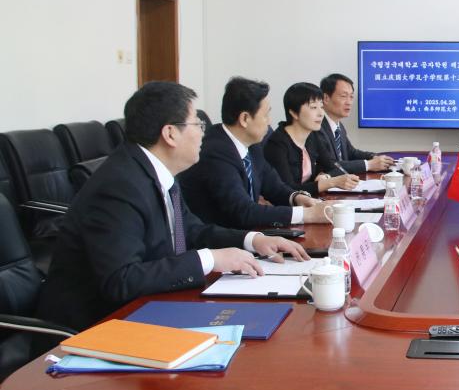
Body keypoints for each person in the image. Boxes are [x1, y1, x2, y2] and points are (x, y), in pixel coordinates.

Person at [36, 82, 310, 332]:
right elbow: (121, 280)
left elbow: (190, 231)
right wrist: (210, 259)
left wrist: (253, 240)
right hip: (93, 328)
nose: (203, 133)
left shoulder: (157, 170)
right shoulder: (120, 186)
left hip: (147, 309)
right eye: (197, 124)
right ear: (170, 134)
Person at [180, 77, 332, 230]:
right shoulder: (215, 153)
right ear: (245, 119)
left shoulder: (252, 145)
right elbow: (243, 211)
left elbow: (274, 187)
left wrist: (297, 198)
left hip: (247, 233)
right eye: (265, 115)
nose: (269, 121)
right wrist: (306, 215)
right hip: (222, 238)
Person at [264, 82, 359, 196]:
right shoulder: (277, 144)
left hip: (311, 200)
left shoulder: (312, 136)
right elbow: (287, 190)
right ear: (294, 113)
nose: (321, 113)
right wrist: (330, 182)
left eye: (321, 107)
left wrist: (326, 176)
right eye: (313, 107)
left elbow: (334, 166)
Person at [318, 73, 394, 173]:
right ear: (326, 98)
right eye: (344, 96)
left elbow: (351, 153)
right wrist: (369, 165)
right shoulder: (317, 127)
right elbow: (331, 165)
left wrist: (375, 157)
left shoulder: (338, 126)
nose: (349, 102)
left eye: (351, 97)